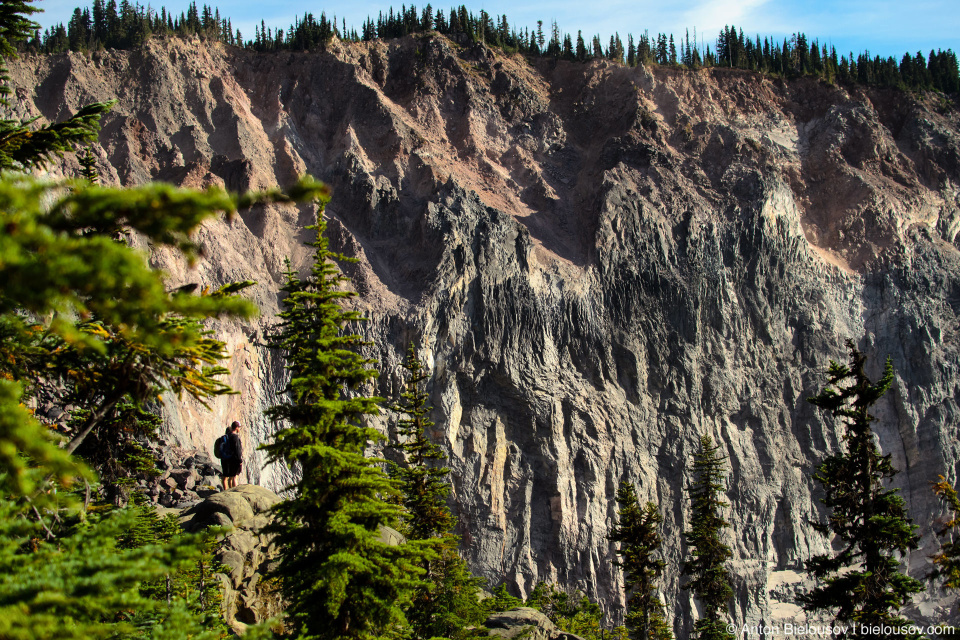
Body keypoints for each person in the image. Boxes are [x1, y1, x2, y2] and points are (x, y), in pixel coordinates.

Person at [221, 421, 243, 489]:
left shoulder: (226, 436)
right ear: (236, 428)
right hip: (233, 460)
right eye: (239, 427)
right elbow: (237, 450)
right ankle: (234, 492)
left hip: (224, 458)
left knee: (225, 477)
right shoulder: (235, 437)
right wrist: (240, 460)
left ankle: (225, 491)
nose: (239, 429)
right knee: (234, 477)